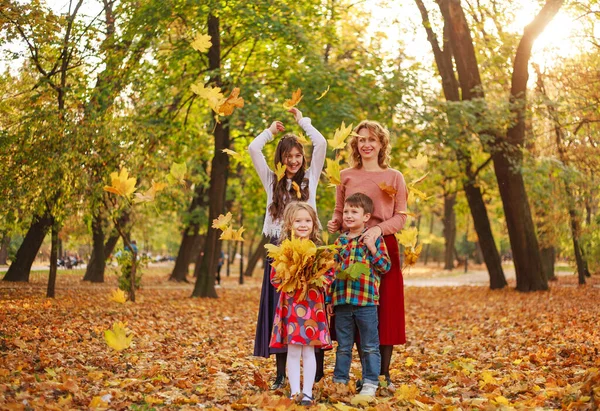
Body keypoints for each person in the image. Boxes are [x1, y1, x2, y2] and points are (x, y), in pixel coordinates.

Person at [327, 120, 408, 391]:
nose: (366, 144)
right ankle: (354, 374)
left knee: (386, 313)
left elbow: (401, 216)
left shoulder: (394, 176)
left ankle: (381, 375)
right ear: (355, 144)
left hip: (383, 248)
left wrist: (377, 231)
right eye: (361, 139)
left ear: (381, 144)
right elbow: (341, 211)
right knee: (353, 309)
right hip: (352, 250)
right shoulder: (345, 175)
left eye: (372, 139)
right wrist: (335, 222)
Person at [249, 107, 327, 389]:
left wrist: (303, 122)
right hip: (279, 252)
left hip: (307, 250)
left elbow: (322, 144)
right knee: (279, 312)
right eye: (288, 156)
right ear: (281, 158)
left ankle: (315, 372)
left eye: (297, 155)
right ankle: (281, 373)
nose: (293, 160)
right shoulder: (272, 180)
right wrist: (270, 132)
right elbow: (252, 149)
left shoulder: (311, 178)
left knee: (310, 308)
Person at [270, 202, 333, 405]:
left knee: (309, 350)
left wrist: (318, 278)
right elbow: (275, 277)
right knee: (293, 350)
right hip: (291, 304)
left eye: (308, 220)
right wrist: (288, 277)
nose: (303, 224)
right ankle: (295, 391)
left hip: (312, 306)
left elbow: (329, 274)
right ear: (289, 224)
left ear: (314, 224)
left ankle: (307, 392)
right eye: (298, 221)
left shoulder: (319, 251)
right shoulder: (283, 252)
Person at [328, 193, 391, 398]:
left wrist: (372, 248)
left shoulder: (373, 239)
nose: (348, 215)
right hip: (342, 302)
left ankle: (370, 382)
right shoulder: (339, 241)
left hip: (366, 302)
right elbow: (331, 271)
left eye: (354, 212)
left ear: (366, 217)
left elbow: (385, 267)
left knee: (370, 346)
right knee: (343, 346)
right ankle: (340, 381)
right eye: (346, 211)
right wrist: (329, 299)